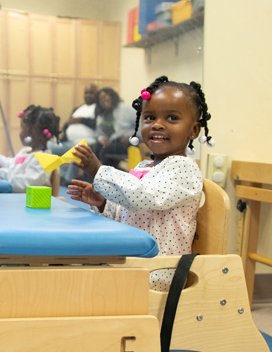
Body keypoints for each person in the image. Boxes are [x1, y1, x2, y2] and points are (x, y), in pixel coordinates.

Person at [67, 75, 213, 291]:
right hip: (133, 262)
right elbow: (128, 213)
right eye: (150, 117)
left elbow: (144, 197)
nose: (158, 125)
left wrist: (98, 170)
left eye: (172, 118)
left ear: (193, 130)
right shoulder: (144, 168)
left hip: (159, 272)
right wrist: (104, 204)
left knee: (80, 278)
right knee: (74, 266)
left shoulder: (184, 168)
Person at [0, 105, 61, 193]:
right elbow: (12, 165)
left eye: (23, 128)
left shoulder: (44, 159)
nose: (20, 133)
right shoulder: (25, 151)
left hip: (26, 202)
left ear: (34, 133)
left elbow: (27, 184)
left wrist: (1, 172)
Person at [49, 84, 98, 185]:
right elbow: (68, 124)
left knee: (78, 149)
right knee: (49, 146)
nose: (88, 95)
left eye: (91, 93)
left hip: (88, 141)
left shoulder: (98, 108)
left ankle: (68, 179)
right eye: (86, 93)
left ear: (96, 94)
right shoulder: (78, 108)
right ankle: (61, 175)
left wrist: (81, 120)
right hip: (69, 141)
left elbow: (97, 124)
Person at [93, 87, 138, 167]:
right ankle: (93, 177)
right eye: (100, 99)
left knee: (105, 152)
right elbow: (98, 132)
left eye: (104, 96)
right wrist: (102, 139)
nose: (103, 100)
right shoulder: (102, 115)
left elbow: (141, 124)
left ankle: (107, 177)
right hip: (112, 142)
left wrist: (132, 137)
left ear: (112, 96)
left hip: (128, 142)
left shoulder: (126, 109)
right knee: (92, 150)